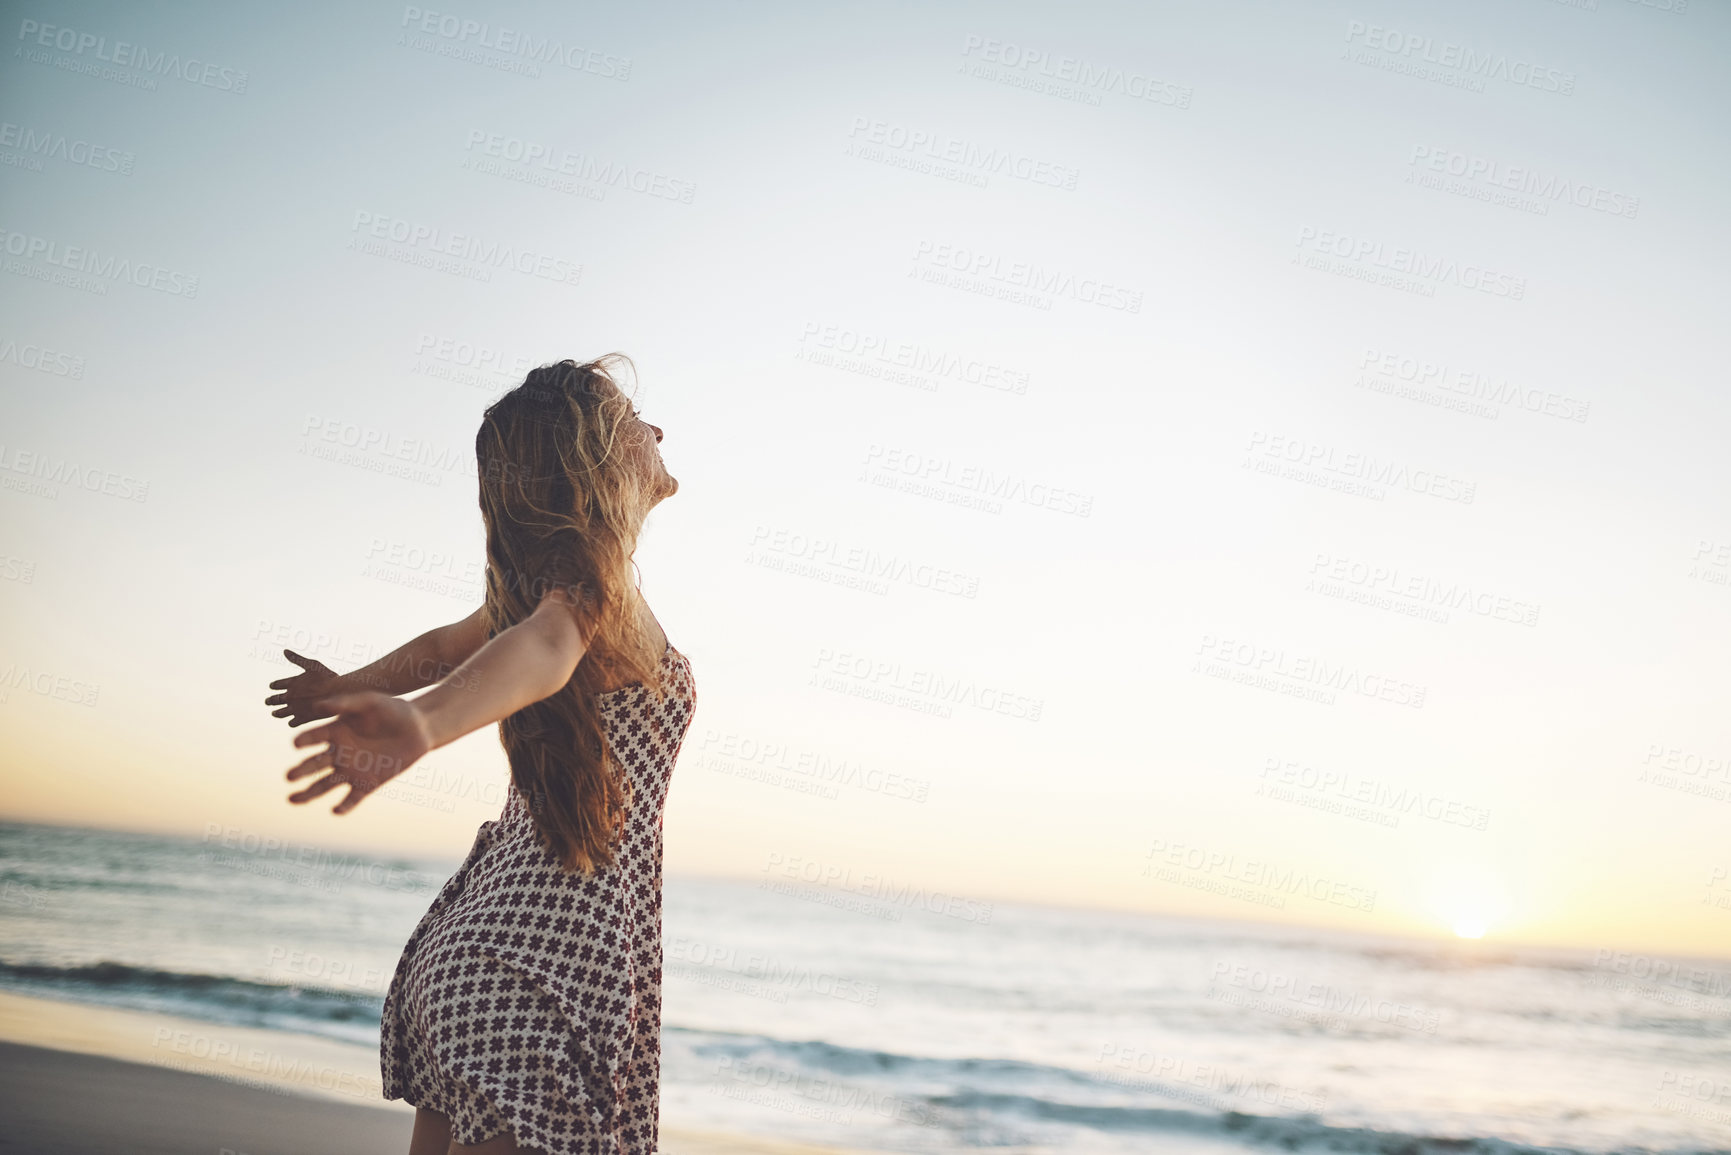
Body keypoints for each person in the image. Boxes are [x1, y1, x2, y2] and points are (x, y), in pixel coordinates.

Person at [264, 355, 694, 1155]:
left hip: (475, 957)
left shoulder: (538, 588)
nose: (657, 429)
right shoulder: (578, 597)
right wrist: (422, 725)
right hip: (535, 972)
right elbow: (543, 653)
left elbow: (440, 649)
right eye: (636, 418)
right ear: (597, 455)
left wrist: (348, 688)